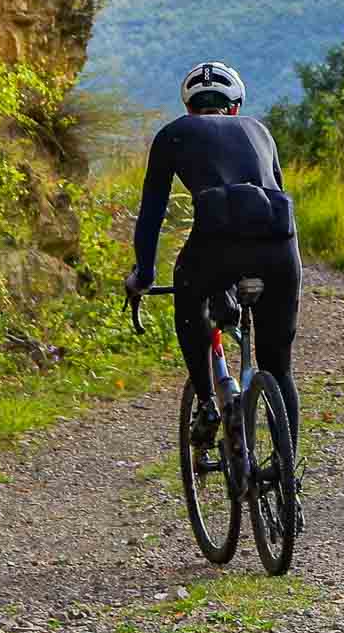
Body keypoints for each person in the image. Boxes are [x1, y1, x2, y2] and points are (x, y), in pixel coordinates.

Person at [125, 62, 300, 457]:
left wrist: (144, 275)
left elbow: (152, 212)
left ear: (189, 109)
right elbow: (277, 198)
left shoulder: (173, 134)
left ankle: (206, 402)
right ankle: (288, 482)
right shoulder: (261, 131)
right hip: (280, 249)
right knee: (280, 369)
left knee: (189, 292)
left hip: (215, 247)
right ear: (235, 108)